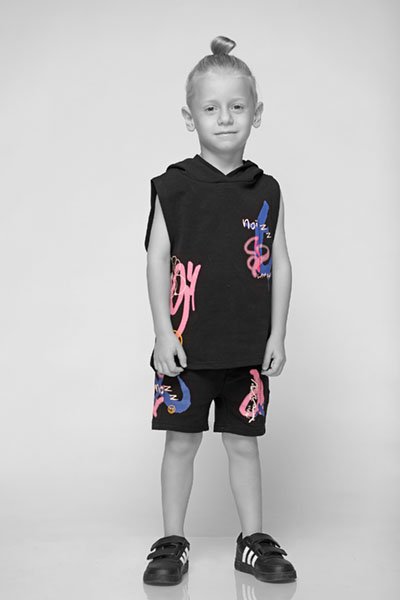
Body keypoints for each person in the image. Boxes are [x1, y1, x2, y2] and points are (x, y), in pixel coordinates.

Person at [143, 35, 296, 586]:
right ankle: (171, 541)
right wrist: (163, 333)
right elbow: (157, 259)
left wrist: (277, 335)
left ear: (257, 112)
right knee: (180, 442)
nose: (225, 118)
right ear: (191, 118)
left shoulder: (267, 189)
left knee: (243, 444)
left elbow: (280, 261)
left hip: (246, 346)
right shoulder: (173, 186)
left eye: (237, 106)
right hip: (186, 348)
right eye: (211, 108)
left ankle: (252, 539)